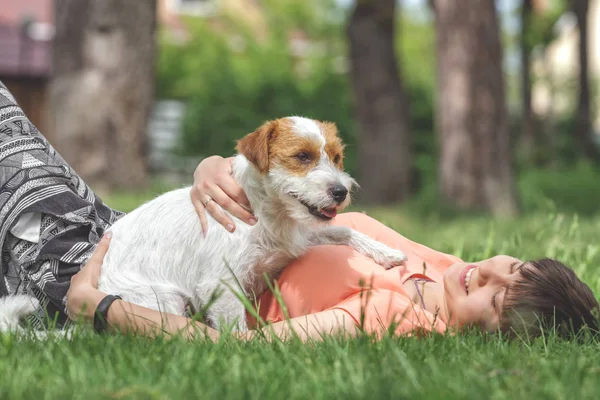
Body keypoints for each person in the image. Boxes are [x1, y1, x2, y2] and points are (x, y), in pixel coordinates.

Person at [0, 80, 597, 341]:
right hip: (132, 234)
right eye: (509, 267)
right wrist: (215, 167)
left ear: (497, 337)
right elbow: (270, 185)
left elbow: (228, 349)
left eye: (491, 299)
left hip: (92, 271)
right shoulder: (439, 264)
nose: (483, 273)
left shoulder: (392, 313)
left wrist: (95, 304)